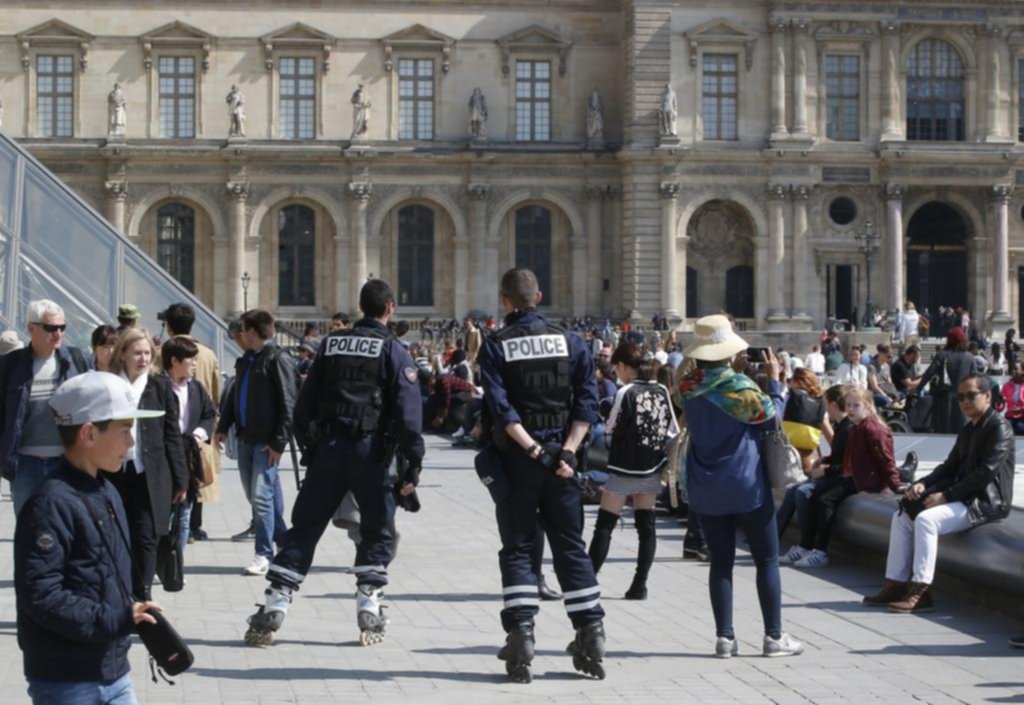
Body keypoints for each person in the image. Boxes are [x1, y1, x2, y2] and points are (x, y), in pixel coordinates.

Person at [243, 279, 424, 647]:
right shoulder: (393, 350)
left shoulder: (330, 345)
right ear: (389, 308)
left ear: (361, 306)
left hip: (328, 448)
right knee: (376, 529)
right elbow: (408, 415)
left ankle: (276, 601)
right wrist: (413, 465)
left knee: (305, 527)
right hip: (371, 452)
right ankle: (369, 603)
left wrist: (313, 448)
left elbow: (303, 406)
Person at [478, 267, 606, 682]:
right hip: (563, 461)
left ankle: (521, 633)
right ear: (540, 296)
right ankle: (590, 631)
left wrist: (532, 449)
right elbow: (588, 403)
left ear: (505, 300)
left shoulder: (497, 346)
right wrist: (566, 451)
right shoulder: (571, 342)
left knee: (517, 547)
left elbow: (501, 409)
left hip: (520, 460)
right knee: (570, 545)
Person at [15, 372, 166, 705]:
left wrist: (130, 612)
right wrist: (115, 619)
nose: (131, 443)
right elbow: (41, 594)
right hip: (67, 679)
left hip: (112, 668)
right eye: (125, 430)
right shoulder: (50, 504)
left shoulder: (106, 489)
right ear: (88, 434)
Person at [679, 315, 803, 659]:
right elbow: (772, 417)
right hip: (747, 485)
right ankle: (774, 637)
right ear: (729, 353)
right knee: (766, 560)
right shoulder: (742, 389)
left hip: (705, 485)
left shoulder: (687, 387)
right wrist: (775, 383)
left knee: (720, 563)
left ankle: (724, 638)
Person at [864, 374, 1014, 615]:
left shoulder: (999, 428)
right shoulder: (968, 430)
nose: (964, 401)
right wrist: (923, 482)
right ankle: (896, 583)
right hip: (964, 497)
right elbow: (949, 466)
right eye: (961, 397)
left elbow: (986, 473)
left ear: (987, 396)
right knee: (901, 516)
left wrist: (946, 495)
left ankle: (921, 592)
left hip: (985, 502)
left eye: (971, 395)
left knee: (926, 520)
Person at [587, 342, 679, 601]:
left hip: (624, 466)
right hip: (651, 466)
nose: (616, 372)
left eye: (617, 367)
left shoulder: (625, 391)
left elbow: (609, 428)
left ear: (625, 366)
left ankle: (589, 580)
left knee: (605, 525)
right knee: (646, 526)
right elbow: (672, 428)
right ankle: (640, 583)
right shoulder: (661, 389)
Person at [214, 310, 297, 576]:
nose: (240, 335)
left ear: (251, 332)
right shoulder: (246, 360)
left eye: (243, 331)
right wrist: (223, 426)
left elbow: (288, 403)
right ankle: (287, 544)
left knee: (261, 498)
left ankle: (264, 554)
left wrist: (278, 442)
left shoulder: (277, 359)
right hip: (246, 437)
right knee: (257, 497)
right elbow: (235, 396)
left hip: (265, 441)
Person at [107, 328, 188, 598]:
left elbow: (172, 435)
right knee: (117, 534)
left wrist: (181, 479)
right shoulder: (109, 385)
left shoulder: (160, 385)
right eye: (136, 353)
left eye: (147, 353)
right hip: (114, 472)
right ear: (123, 354)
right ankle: (119, 592)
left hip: (150, 474)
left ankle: (142, 595)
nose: (142, 358)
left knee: (146, 536)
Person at [791, 387, 904, 569]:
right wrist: (825, 460)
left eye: (856, 405)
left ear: (867, 406)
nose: (851, 409)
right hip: (852, 475)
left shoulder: (873, 429)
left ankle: (820, 551)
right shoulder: (857, 427)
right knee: (817, 496)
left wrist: (896, 485)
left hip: (865, 480)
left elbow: (886, 459)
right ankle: (809, 547)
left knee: (825, 501)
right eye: (848, 405)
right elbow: (847, 457)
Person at [0, 299, 88, 515]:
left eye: (62, 327)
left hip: (65, 461)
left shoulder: (76, 360)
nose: (58, 333)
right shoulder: (11, 364)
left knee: (65, 524)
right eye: (50, 328)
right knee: (29, 527)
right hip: (25, 465)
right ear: (31, 328)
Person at [158, 303, 221, 543]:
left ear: (169, 326)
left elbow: (209, 407)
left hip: (190, 442)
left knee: (187, 496)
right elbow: (216, 396)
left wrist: (201, 431)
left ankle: (176, 562)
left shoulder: (158, 351)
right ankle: (194, 529)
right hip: (176, 445)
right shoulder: (209, 353)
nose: (193, 364)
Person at [778, 385, 852, 553]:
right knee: (793, 491)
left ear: (832, 405)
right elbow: (839, 455)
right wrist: (824, 460)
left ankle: (806, 544)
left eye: (825, 404)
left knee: (803, 492)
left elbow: (849, 464)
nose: (824, 409)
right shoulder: (841, 427)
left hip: (840, 477)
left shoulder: (848, 429)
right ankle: (773, 538)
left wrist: (825, 470)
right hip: (834, 472)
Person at [916, 328, 977, 433]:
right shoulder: (969, 357)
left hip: (943, 398)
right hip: (964, 399)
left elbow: (929, 373)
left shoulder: (942, 355)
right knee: (961, 430)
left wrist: (919, 387)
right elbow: (976, 378)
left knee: (943, 431)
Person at [781, 368, 832, 473]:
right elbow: (831, 436)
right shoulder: (818, 404)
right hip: (810, 458)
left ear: (796, 381)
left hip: (787, 455)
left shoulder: (786, 398)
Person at [868, 344, 900, 408]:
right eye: (888, 356)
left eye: (891, 357)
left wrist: (894, 393)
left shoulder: (887, 366)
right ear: (881, 354)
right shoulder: (872, 367)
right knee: (886, 401)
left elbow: (889, 382)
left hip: (886, 389)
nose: (890, 359)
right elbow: (874, 387)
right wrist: (886, 396)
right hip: (876, 393)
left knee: (903, 396)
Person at [1001, 361, 1024, 435]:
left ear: (1023, 371)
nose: (1013, 371)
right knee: (1004, 430)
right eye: (1012, 369)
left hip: (1022, 416)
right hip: (1009, 416)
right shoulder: (1006, 386)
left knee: (1020, 428)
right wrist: (1000, 402)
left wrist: (1021, 410)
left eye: (1016, 369)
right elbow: (1000, 408)